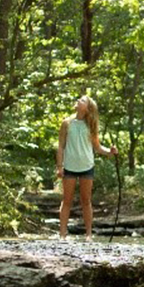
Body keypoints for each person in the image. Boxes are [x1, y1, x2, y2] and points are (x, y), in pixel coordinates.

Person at [57, 95, 118, 236]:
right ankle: (62, 235)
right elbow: (61, 146)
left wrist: (110, 152)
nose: (78, 100)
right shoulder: (67, 123)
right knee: (66, 200)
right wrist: (59, 167)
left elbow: (97, 147)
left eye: (82, 100)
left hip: (87, 166)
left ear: (88, 108)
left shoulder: (91, 124)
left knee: (86, 200)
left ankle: (89, 235)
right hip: (70, 166)